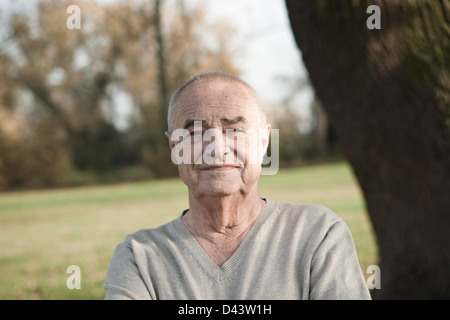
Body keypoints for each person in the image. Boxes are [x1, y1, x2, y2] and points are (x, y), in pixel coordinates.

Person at [103, 72, 371, 300]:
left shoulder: (318, 234)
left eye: (234, 130)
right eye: (195, 133)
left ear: (264, 142)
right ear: (175, 148)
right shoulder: (139, 256)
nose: (216, 149)